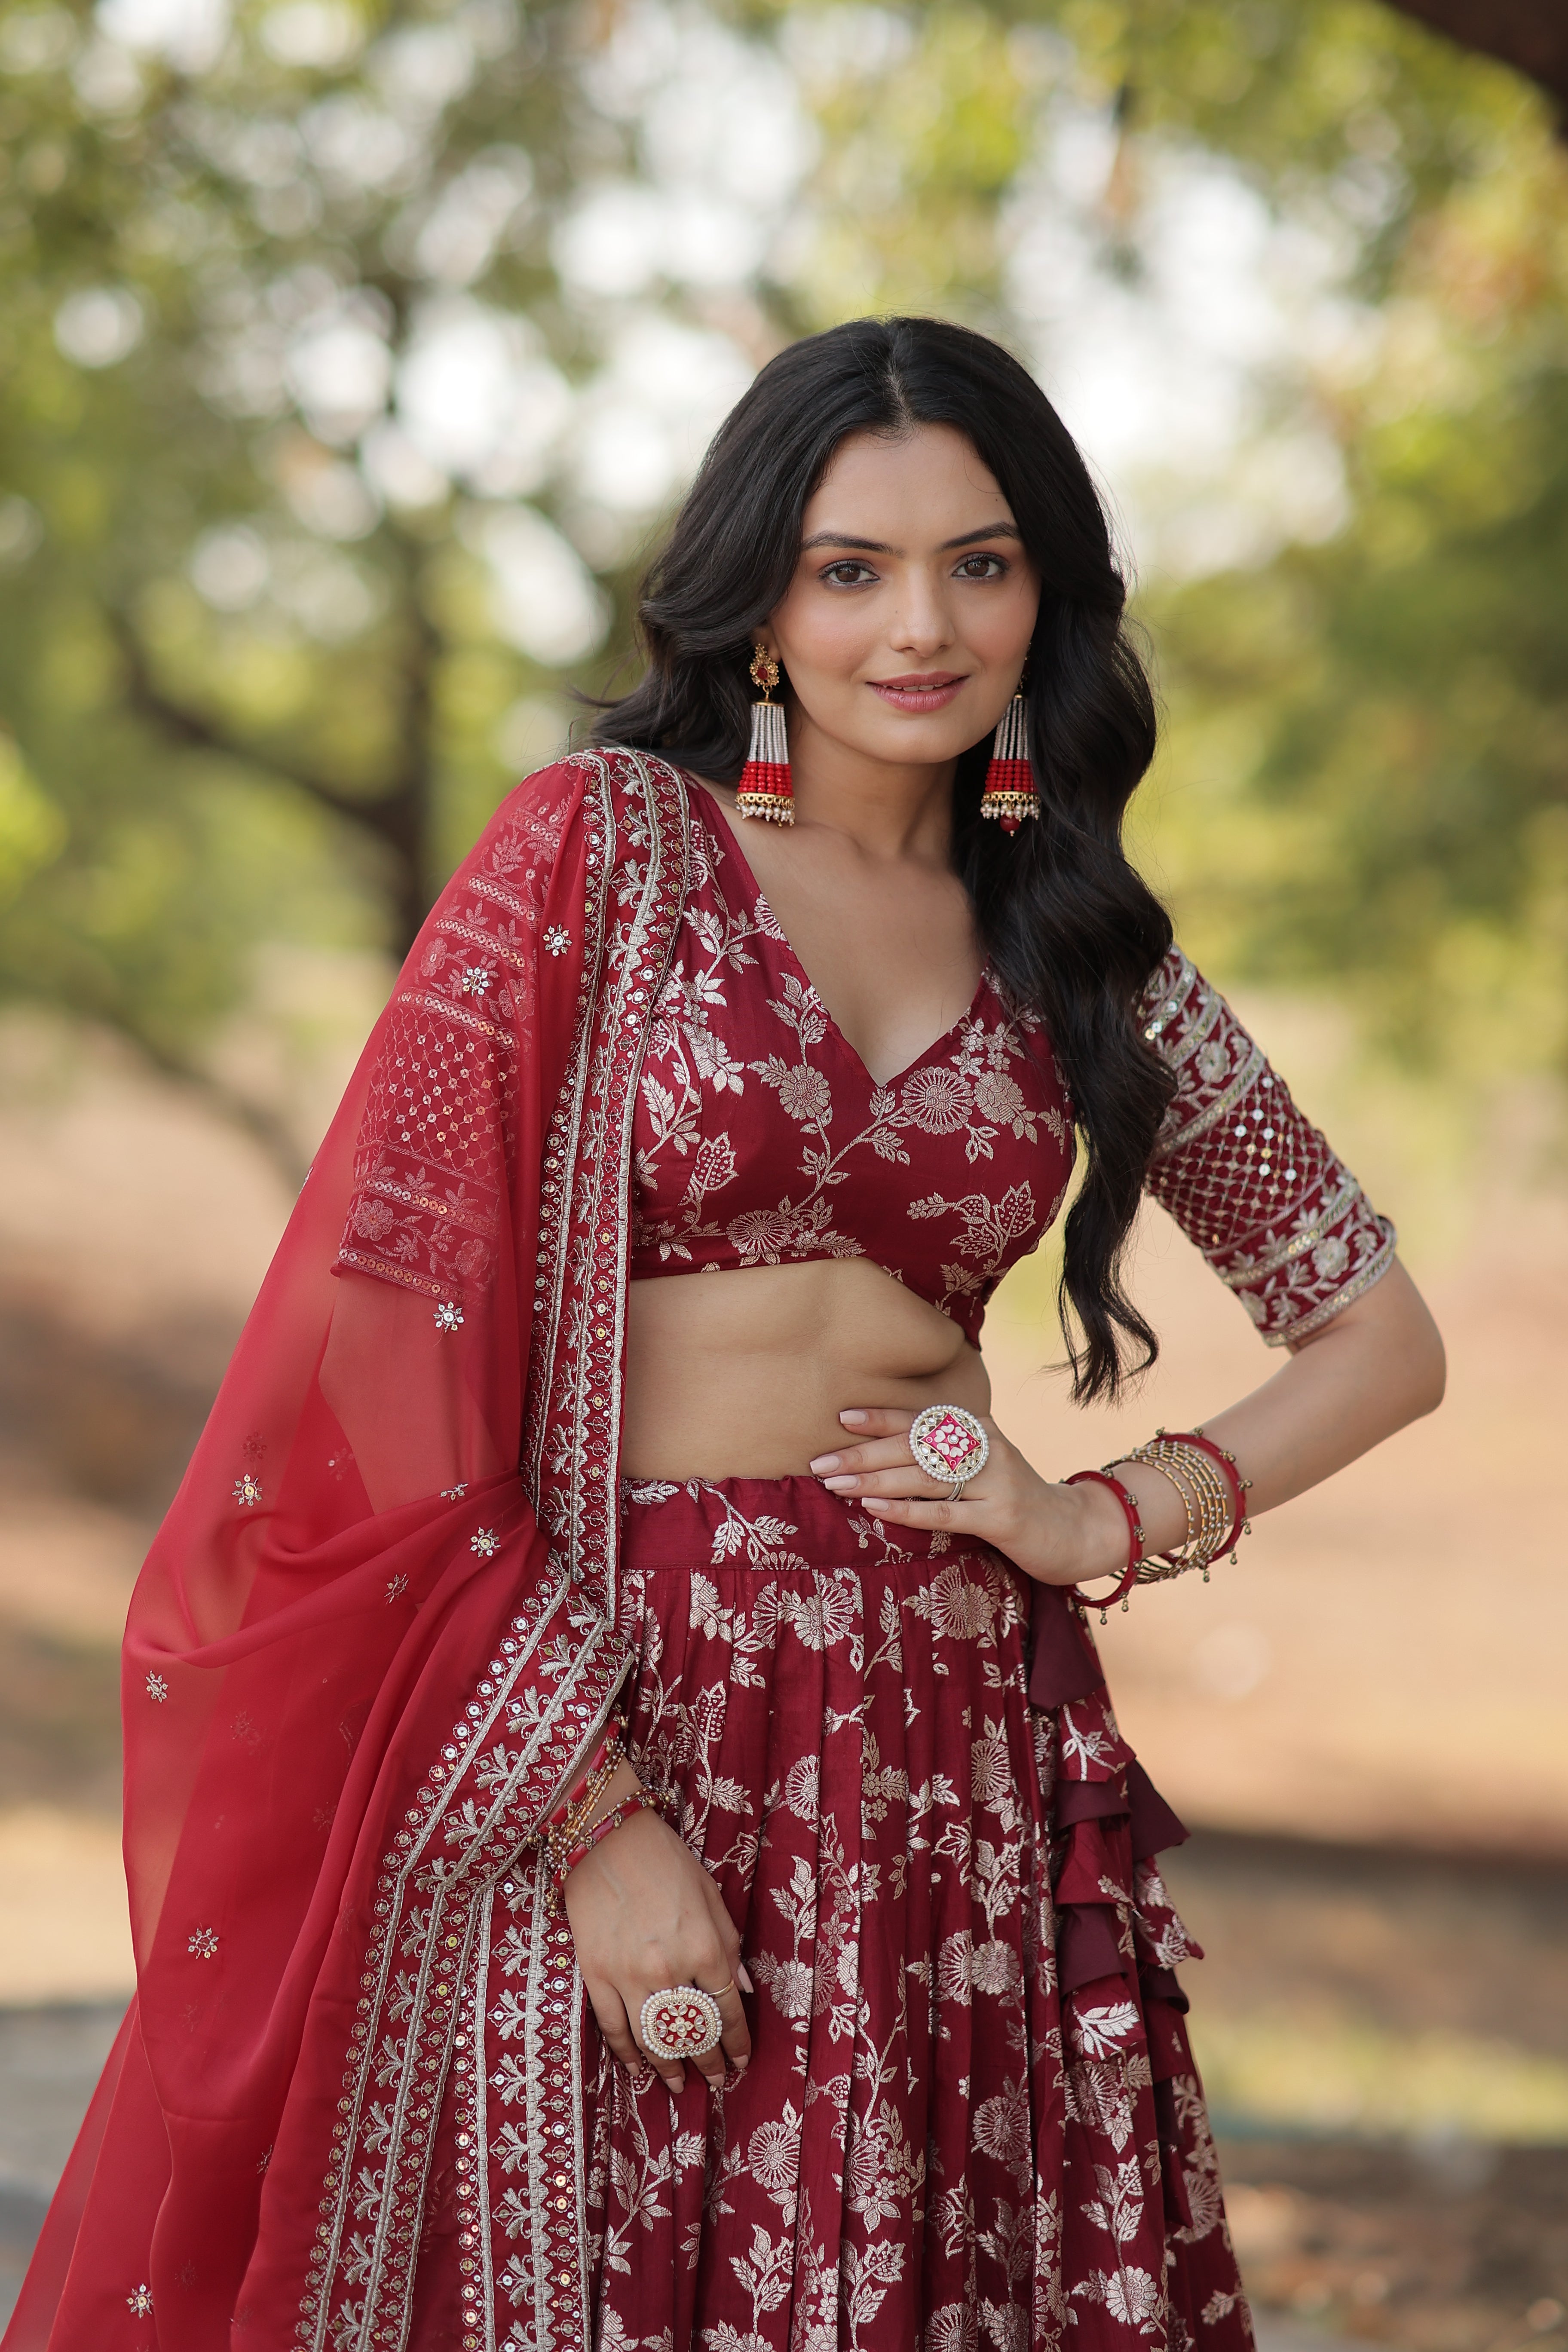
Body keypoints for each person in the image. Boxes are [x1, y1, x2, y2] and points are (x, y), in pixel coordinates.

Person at [7, 317, 1444, 2352]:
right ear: (760, 599)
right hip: (610, 1692)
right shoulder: (601, 854)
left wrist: (1097, 1521)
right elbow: (385, 1367)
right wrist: (592, 1816)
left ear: (1048, 596)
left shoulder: (1081, 954)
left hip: (950, 1738)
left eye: (980, 564)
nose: (920, 627)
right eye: (853, 569)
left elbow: (1381, 1339)